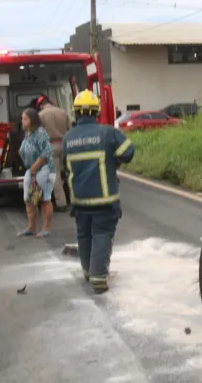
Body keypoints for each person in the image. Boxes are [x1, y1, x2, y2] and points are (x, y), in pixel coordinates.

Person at [62, 89, 135, 294]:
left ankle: (87, 271)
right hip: (104, 199)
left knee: (84, 236)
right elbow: (128, 151)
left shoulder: (68, 138)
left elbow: (64, 167)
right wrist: (115, 160)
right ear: (96, 112)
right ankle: (99, 278)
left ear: (76, 112)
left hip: (79, 200)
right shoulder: (107, 133)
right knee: (102, 235)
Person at [18, 107, 56, 238]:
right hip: (32, 170)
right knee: (29, 199)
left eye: (25, 119)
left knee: (45, 199)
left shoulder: (40, 133)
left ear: (32, 120)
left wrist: (34, 168)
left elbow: (46, 152)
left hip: (44, 170)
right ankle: (31, 227)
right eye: (22, 118)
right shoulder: (28, 133)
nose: (22, 121)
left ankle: (46, 228)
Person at [35, 94, 72, 212]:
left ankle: (61, 203)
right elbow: (70, 129)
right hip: (64, 145)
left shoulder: (40, 115)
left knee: (55, 174)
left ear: (41, 106)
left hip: (51, 146)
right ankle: (74, 198)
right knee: (63, 172)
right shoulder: (63, 112)